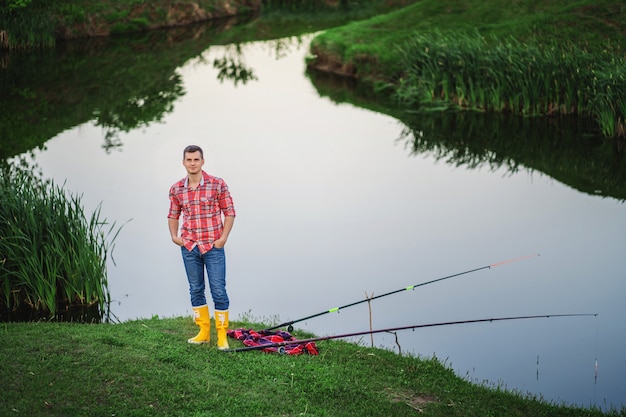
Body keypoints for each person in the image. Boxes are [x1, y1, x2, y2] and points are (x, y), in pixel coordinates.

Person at [167, 145, 236, 349]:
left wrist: (223, 238)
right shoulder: (177, 188)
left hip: (213, 246)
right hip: (189, 246)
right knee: (195, 289)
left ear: (202, 161)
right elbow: (173, 215)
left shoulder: (217, 184)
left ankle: (222, 335)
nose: (192, 163)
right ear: (183, 162)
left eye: (196, 159)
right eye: (189, 160)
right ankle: (204, 331)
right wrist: (174, 236)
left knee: (218, 290)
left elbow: (230, 212)